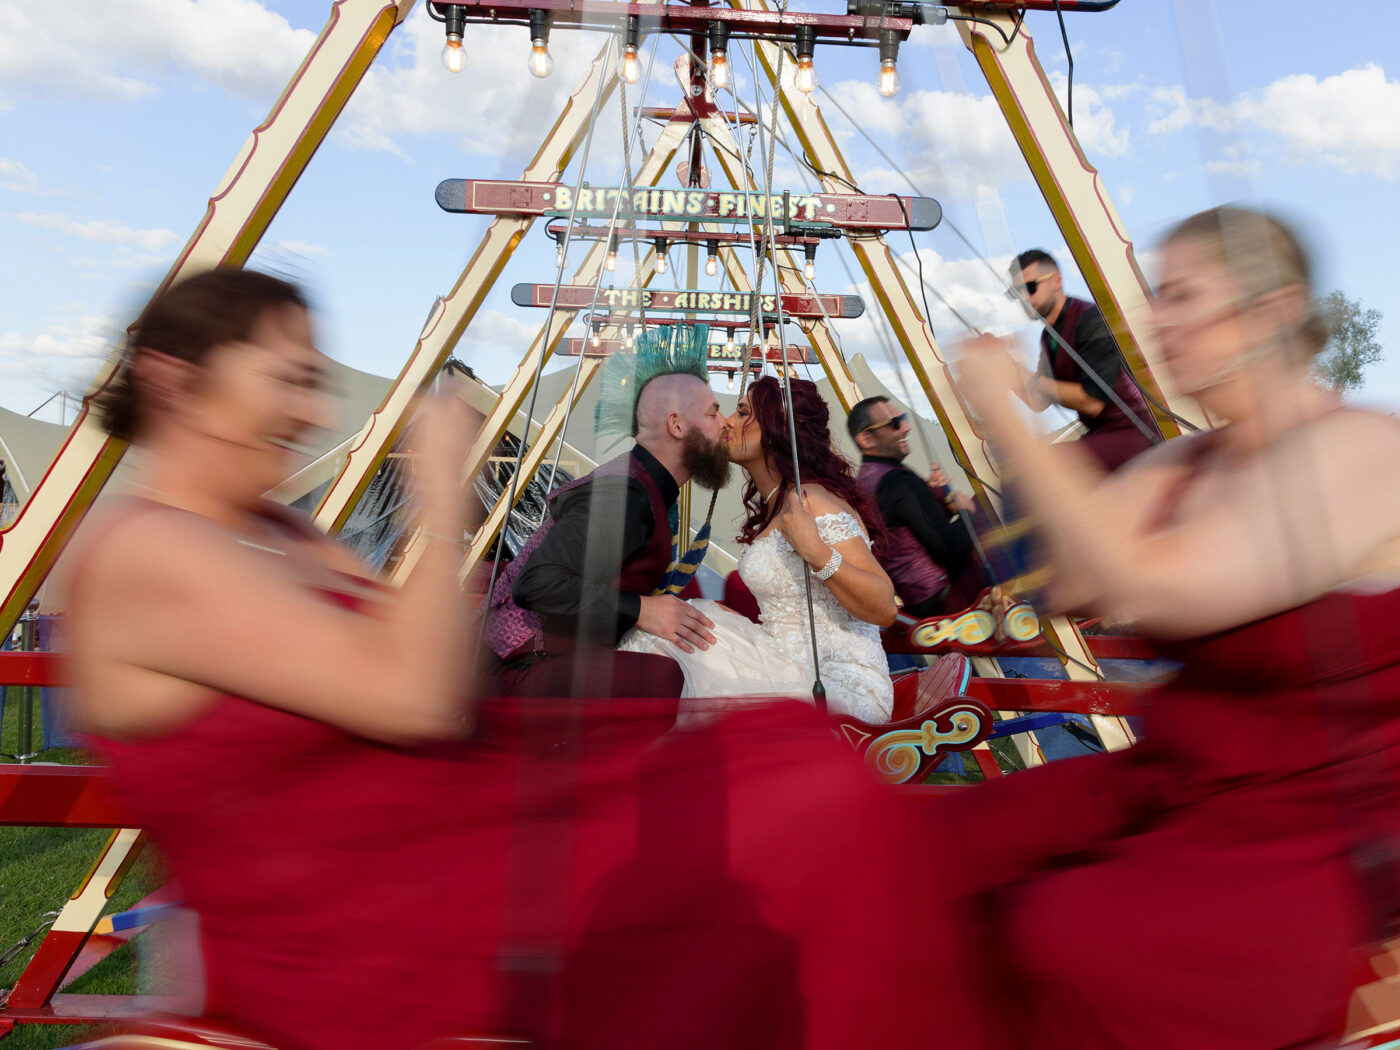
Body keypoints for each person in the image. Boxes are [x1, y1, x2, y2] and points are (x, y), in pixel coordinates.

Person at [947, 206, 1400, 1048]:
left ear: (1273, 311)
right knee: (941, 849)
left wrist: (1012, 420)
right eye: (1157, 295)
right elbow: (1073, 577)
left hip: (1309, 834)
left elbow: (1157, 583)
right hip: (1175, 782)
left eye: (1183, 294)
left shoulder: (1366, 451)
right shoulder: (1188, 460)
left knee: (1065, 937)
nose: (1156, 319)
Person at [64, 269, 485, 1049]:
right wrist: (439, 503)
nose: (315, 412)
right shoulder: (146, 550)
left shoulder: (280, 532)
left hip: (425, 938)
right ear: (175, 381)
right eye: (290, 381)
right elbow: (416, 694)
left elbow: (436, 670)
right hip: (318, 993)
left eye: (316, 384)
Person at [622, 377, 898, 724]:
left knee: (671, 642)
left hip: (837, 685)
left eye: (742, 413)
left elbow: (884, 608)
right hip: (784, 662)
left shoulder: (810, 501)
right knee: (673, 629)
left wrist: (818, 553)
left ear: (775, 429)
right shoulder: (778, 503)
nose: (728, 423)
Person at [483, 326, 731, 698]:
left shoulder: (644, 484)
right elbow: (538, 583)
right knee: (670, 679)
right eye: (714, 413)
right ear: (676, 425)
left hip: (546, 659)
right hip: (521, 667)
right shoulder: (626, 496)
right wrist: (643, 611)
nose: (725, 422)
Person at [1009, 248, 1158, 472]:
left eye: (1030, 287)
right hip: (1102, 436)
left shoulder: (1090, 319)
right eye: (1016, 292)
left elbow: (1092, 400)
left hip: (1135, 430)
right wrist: (1008, 372)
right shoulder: (1048, 336)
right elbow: (1039, 402)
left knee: (1040, 469)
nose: (1024, 298)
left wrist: (1033, 380)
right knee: (1021, 471)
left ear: (1056, 280)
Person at [847, 395, 986, 615]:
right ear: (866, 439)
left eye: (903, 418)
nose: (906, 427)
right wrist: (968, 511)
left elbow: (905, 525)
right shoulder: (896, 481)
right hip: (945, 600)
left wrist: (932, 496)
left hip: (918, 598)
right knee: (988, 510)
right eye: (895, 423)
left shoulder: (866, 478)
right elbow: (952, 548)